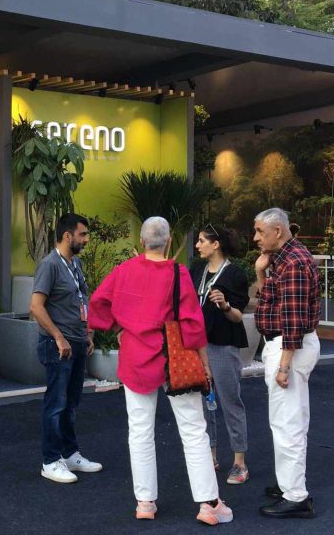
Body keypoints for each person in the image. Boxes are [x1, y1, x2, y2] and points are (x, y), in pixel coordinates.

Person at [88, 217, 233, 526]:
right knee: (193, 430)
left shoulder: (123, 271)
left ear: (142, 241)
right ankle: (208, 504)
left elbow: (98, 303)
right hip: (174, 359)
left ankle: (145, 502)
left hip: (135, 358)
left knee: (139, 431)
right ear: (168, 242)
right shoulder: (178, 274)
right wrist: (204, 363)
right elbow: (192, 324)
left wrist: (118, 328)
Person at [253, 208, 320, 519]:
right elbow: (273, 300)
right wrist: (261, 273)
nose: (256, 237)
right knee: (289, 420)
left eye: (260, 231)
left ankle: (295, 496)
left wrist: (283, 366)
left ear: (277, 231)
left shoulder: (292, 263)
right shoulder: (286, 258)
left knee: (287, 423)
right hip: (287, 346)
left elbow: (293, 320)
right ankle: (289, 485)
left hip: (288, 348)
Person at [30, 213, 102, 484]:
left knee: (71, 403)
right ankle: (50, 461)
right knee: (56, 404)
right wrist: (59, 338)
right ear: (67, 236)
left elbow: (82, 300)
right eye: (82, 235)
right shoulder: (50, 265)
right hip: (58, 345)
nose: (87, 240)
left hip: (77, 342)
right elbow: (36, 306)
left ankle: (70, 454)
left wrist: (88, 333)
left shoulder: (76, 263)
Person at [191, 224, 250, 485]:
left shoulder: (235, 274)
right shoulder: (197, 270)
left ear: (215, 245)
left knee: (229, 401)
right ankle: (211, 456)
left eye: (201, 241)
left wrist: (225, 305)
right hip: (198, 344)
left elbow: (237, 316)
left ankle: (239, 462)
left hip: (223, 344)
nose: (197, 245)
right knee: (205, 403)